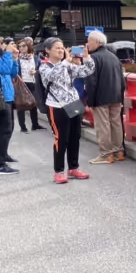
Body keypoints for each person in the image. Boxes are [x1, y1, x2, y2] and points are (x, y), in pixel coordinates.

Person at [39, 38, 95, 184]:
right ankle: (58, 171)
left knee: (74, 137)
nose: (60, 50)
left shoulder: (69, 66)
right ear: (47, 50)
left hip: (74, 103)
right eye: (57, 48)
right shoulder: (44, 66)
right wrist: (65, 61)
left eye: (62, 47)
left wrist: (86, 57)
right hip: (57, 106)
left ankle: (73, 167)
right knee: (61, 138)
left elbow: (87, 71)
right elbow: (52, 76)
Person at [85, 31, 126, 164]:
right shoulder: (114, 57)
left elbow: (91, 82)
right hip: (116, 95)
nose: (87, 44)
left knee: (102, 125)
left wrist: (90, 101)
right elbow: (122, 80)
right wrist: (121, 96)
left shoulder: (93, 58)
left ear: (97, 42)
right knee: (116, 123)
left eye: (89, 41)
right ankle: (118, 151)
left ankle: (106, 154)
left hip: (100, 96)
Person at [16, 38, 44, 133]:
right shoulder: (17, 59)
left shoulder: (35, 58)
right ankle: (23, 127)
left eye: (23, 46)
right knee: (21, 105)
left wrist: (36, 71)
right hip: (22, 83)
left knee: (34, 104)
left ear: (29, 46)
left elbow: (43, 69)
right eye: (19, 46)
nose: (21, 48)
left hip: (33, 82)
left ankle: (35, 125)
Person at [0, 39, 20, 174]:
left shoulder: (3, 56)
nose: (4, 45)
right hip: (2, 97)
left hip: (7, 96)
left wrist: (14, 58)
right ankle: (1, 163)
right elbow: (3, 69)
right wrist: (7, 54)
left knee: (9, 128)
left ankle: (4, 154)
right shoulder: (3, 56)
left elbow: (12, 73)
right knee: (4, 129)